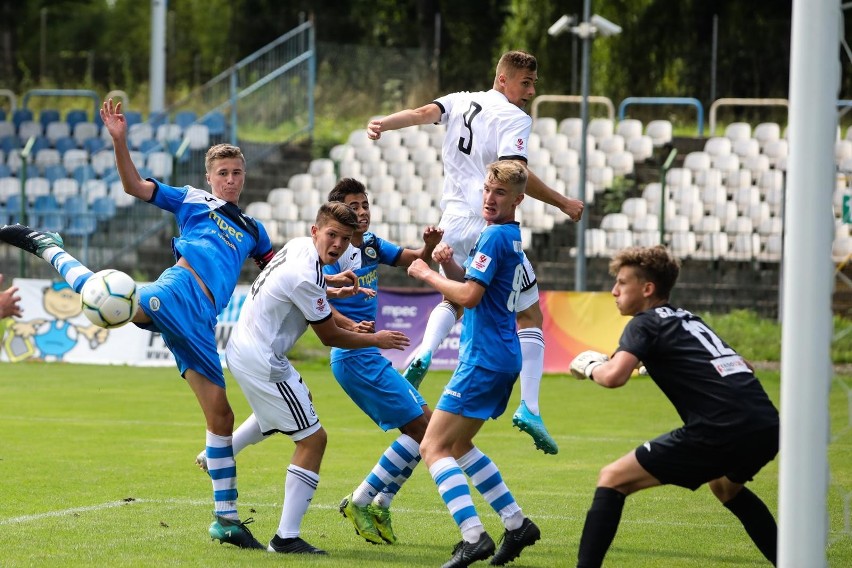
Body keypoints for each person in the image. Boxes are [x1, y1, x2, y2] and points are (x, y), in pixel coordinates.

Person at [0, 98, 276, 549]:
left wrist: (330, 285)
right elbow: (133, 186)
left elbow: (276, 272)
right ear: (209, 177)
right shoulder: (193, 200)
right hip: (176, 291)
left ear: (244, 178)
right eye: (222, 173)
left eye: (236, 173)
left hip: (203, 323)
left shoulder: (253, 229)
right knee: (110, 299)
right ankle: (45, 246)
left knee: (221, 417)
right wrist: (120, 140)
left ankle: (225, 520)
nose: (229, 180)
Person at [367, 49, 584, 455]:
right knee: (529, 313)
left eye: (534, 84)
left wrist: (383, 124)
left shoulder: (460, 99)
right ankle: (531, 408)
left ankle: (424, 352)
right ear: (503, 80)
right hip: (488, 224)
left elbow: (418, 115)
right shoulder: (515, 119)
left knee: (462, 297)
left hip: (451, 222)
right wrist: (562, 202)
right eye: (526, 83)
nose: (531, 91)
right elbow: (515, 176)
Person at [569, 245, 779, 567]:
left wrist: (589, 365)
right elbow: (744, 366)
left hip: (719, 428)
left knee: (612, 478)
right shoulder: (689, 319)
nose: (614, 291)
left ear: (647, 289)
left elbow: (613, 377)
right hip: (765, 424)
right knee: (725, 488)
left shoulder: (644, 323)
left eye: (622, 283)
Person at [219, 201, 410, 554]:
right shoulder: (307, 274)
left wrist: (334, 284)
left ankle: (218, 453)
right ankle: (286, 538)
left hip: (242, 349)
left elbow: (309, 288)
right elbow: (329, 336)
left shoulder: (298, 247)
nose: (337, 244)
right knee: (313, 440)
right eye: (332, 235)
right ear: (316, 231)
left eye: (345, 239)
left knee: (278, 418)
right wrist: (375, 339)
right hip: (263, 360)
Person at [407, 161, 541, 568]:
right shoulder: (509, 238)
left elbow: (468, 298)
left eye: (499, 193)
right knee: (459, 445)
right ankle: (517, 524)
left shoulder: (495, 237)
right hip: (500, 356)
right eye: (486, 189)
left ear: (518, 199)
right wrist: (449, 267)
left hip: (484, 359)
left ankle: (473, 537)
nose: (489, 198)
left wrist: (427, 273)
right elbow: (475, 286)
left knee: (432, 446)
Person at [323, 178, 442, 545]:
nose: (362, 212)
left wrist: (429, 246)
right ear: (338, 213)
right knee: (429, 431)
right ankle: (362, 500)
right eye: (353, 207)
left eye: (364, 205)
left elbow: (413, 260)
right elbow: (314, 292)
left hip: (366, 353)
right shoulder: (331, 253)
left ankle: (379, 501)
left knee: (429, 427)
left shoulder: (372, 245)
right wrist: (354, 326)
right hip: (353, 354)